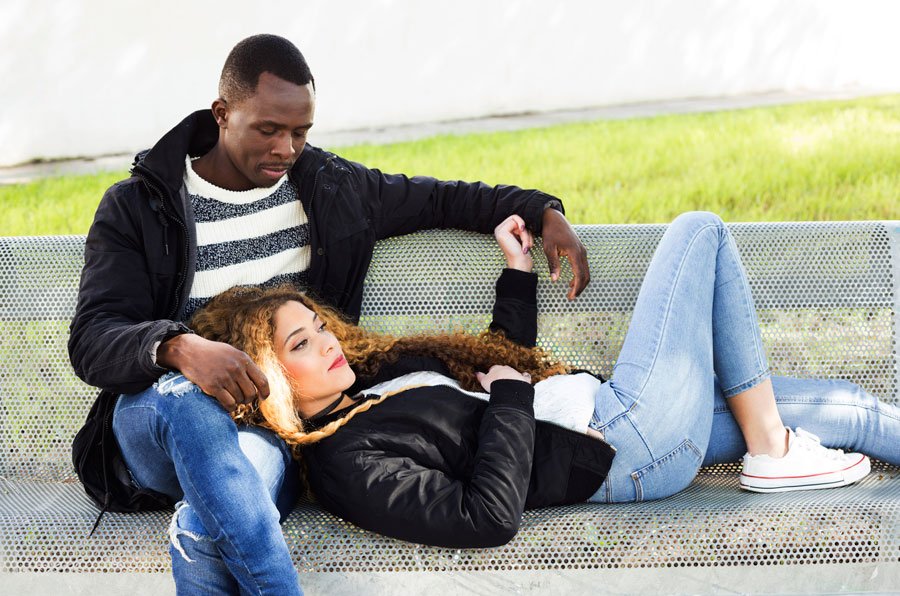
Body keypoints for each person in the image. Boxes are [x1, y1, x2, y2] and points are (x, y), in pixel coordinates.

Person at [68, 35, 589, 595]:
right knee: (189, 404)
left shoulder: (330, 190)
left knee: (204, 524)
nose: (287, 148)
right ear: (222, 114)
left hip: (273, 435)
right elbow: (94, 337)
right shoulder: (141, 205)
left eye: (300, 132)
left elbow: (443, 198)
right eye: (268, 129)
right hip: (158, 419)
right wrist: (180, 350)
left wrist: (540, 210)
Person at [188, 211, 899, 548]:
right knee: (699, 232)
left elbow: (497, 371)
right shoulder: (346, 462)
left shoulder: (370, 379)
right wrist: (509, 397)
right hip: (627, 440)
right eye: (301, 345)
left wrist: (516, 277)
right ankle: (771, 449)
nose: (328, 345)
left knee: (855, 413)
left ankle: (769, 438)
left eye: (318, 327)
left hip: (615, 415)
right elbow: (486, 515)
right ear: (269, 381)